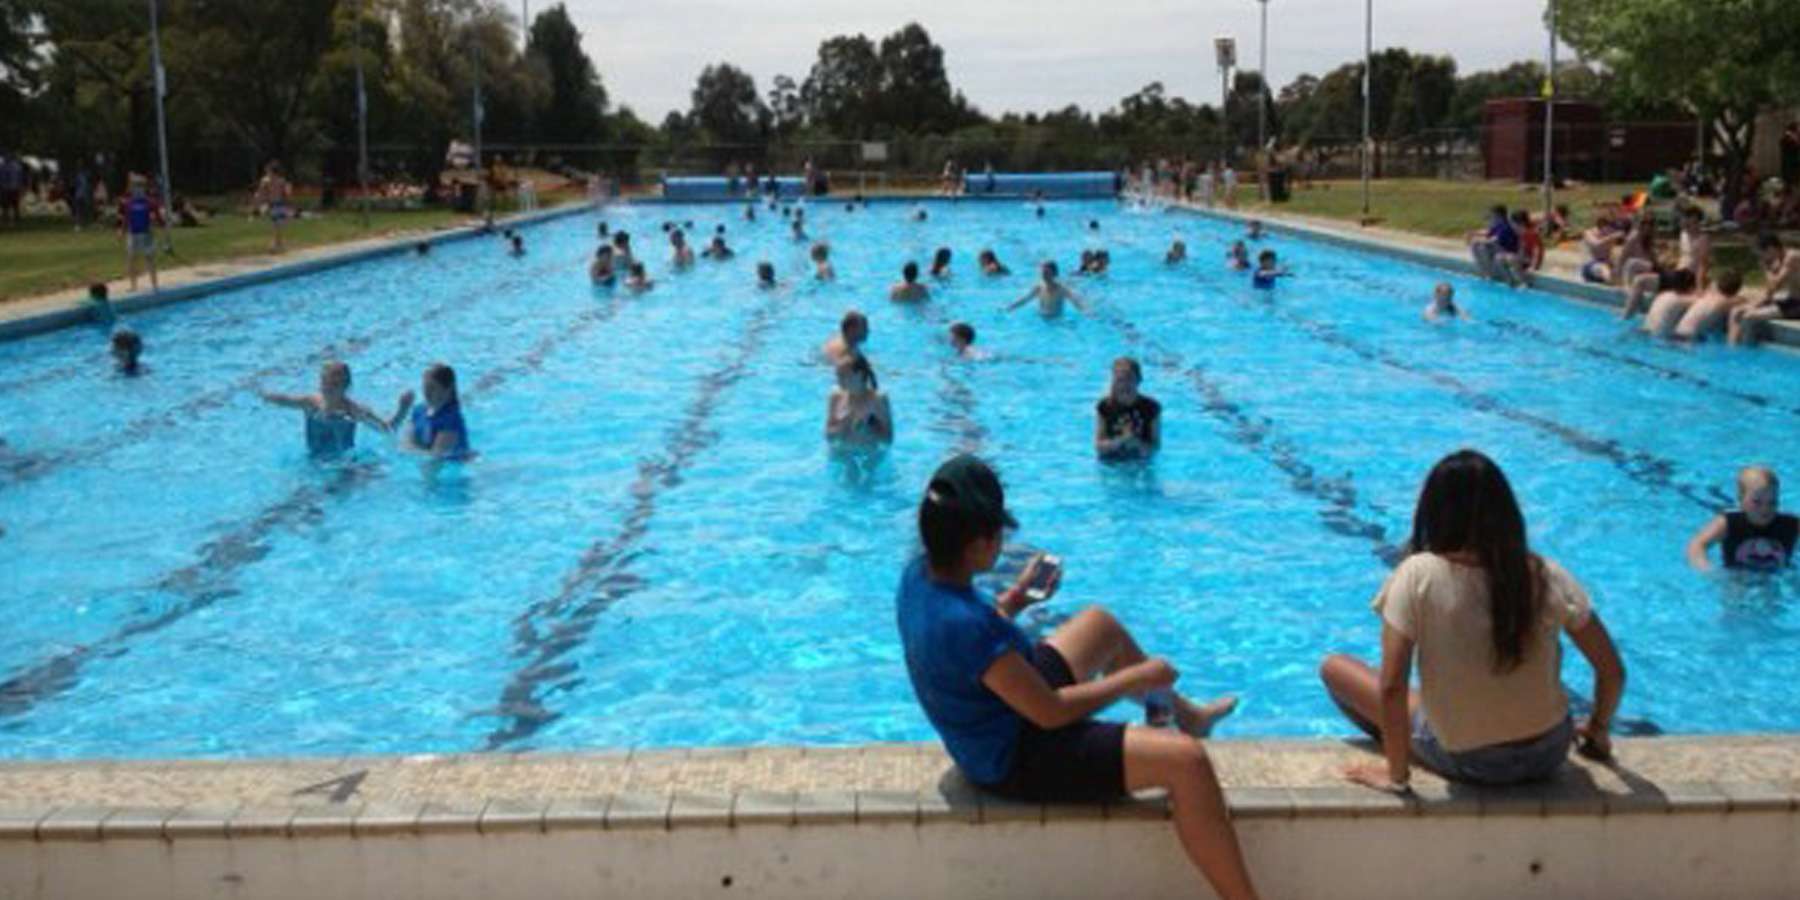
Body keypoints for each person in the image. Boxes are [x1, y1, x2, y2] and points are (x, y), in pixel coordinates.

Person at [895, 455, 1257, 900]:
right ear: (973, 546)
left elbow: (981, 658)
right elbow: (1049, 713)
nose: (1003, 542)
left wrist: (1015, 598)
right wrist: (1135, 678)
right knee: (1188, 762)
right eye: (996, 535)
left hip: (1004, 703)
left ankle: (1189, 716)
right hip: (1013, 756)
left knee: (1101, 625)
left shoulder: (918, 576)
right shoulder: (965, 625)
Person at [1319, 449, 1626, 790]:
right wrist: (1597, 730)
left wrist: (1395, 777)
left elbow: (1392, 686)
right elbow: (1611, 671)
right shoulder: (1544, 573)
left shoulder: (1417, 574)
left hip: (1470, 761)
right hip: (1549, 752)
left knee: (1335, 668)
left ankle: (1407, 753)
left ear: (1433, 511)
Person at [259, 361, 409, 459]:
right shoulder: (311, 403)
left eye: (336, 384)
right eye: (326, 383)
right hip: (313, 459)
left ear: (346, 386)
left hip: (343, 465)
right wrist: (263, 394)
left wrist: (402, 409)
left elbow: (388, 429)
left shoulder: (354, 410)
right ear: (320, 383)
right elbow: (285, 400)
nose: (329, 388)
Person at [1687, 466, 1797, 572]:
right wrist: (1708, 570)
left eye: (1772, 502)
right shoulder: (1728, 523)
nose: (1765, 509)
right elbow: (1697, 544)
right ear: (1741, 500)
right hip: (1737, 579)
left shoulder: (1791, 524)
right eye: (1757, 502)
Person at [1727, 234, 1800, 346]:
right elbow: (1770, 291)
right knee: (1736, 311)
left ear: (1771, 248)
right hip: (1792, 301)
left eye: (1761, 254)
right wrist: (1756, 303)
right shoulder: (1779, 259)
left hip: (1796, 305)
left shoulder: (1792, 257)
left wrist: (1766, 268)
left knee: (1749, 316)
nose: (1761, 258)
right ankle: (1732, 347)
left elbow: (1775, 285)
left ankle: (1747, 352)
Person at [1094, 357, 1160, 460]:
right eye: (1120, 380)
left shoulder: (1151, 407)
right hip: (1110, 459)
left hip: (1139, 459)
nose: (1124, 384)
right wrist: (1119, 442)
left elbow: (1155, 447)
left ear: (1139, 380)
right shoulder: (1105, 406)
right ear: (1114, 381)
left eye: (1129, 379)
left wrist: (1136, 444)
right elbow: (1098, 446)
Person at [401, 363, 470, 460]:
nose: (426, 392)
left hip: (453, 468)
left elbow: (435, 459)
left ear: (448, 389)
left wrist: (412, 450)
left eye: (432, 388)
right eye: (425, 387)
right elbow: (405, 445)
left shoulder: (451, 419)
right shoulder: (418, 411)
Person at [824, 354, 893, 445]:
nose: (838, 380)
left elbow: (888, 439)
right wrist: (844, 426)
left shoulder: (879, 399)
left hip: (870, 455)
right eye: (838, 375)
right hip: (841, 455)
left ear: (859, 375)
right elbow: (828, 437)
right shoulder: (836, 397)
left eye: (842, 376)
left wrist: (871, 426)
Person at [1673, 269, 1747, 342]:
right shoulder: (1724, 302)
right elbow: (1743, 301)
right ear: (1737, 290)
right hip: (1689, 339)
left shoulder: (1708, 296)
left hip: (1677, 334)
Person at [118, 175, 162, 293]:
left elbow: (157, 217)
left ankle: (155, 285)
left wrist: (159, 224)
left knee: (150, 259)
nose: (138, 190)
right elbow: (126, 219)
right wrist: (122, 231)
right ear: (132, 189)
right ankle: (133, 286)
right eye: (136, 187)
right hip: (133, 234)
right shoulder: (129, 203)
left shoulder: (149, 202)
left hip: (146, 234)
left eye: (140, 187)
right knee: (132, 260)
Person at [1007, 261, 1089, 317]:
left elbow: (1076, 303)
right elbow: (1024, 300)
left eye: (1046, 272)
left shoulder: (1062, 289)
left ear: (1054, 274)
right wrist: (1010, 307)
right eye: (1043, 272)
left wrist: (1087, 313)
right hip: (1041, 319)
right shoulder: (1039, 287)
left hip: (1056, 320)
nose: (1044, 274)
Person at [1468, 205, 1521, 286]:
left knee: (1481, 246)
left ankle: (1488, 274)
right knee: (1476, 245)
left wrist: (1477, 240)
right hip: (1500, 248)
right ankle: (1485, 272)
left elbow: (1493, 240)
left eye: (1492, 215)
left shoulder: (1505, 226)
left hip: (1507, 250)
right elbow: (1488, 233)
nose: (1491, 217)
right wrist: (1473, 233)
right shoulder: (1498, 224)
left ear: (1498, 216)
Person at [1636, 271, 1701, 336]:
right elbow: (1702, 302)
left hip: (1644, 332)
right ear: (1691, 287)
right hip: (1660, 338)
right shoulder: (1683, 299)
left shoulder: (1663, 295)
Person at [253, 161, 292, 253]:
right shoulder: (270, 181)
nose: (267, 172)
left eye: (268, 170)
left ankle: (277, 244)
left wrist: (258, 202)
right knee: (276, 225)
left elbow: (286, 194)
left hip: (278, 204)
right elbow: (262, 193)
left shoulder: (278, 181)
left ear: (272, 171)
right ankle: (276, 244)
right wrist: (259, 201)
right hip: (274, 204)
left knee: (278, 225)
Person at [1579, 216, 1623, 284]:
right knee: (1604, 269)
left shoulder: (1609, 235)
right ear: (1602, 226)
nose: (1611, 231)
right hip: (1590, 265)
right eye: (1610, 229)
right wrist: (1611, 237)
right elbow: (1596, 244)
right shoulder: (1589, 233)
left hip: (1607, 265)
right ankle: (1611, 283)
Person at [1511, 210, 1544, 274]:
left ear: (1520, 223)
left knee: (1512, 260)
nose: (1512, 225)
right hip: (1527, 258)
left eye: (1513, 223)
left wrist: (1533, 266)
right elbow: (1522, 248)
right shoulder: (1522, 232)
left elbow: (1537, 250)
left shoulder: (1531, 233)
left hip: (1533, 261)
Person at [0, 152, 22, 226]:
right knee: (13, 205)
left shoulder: (4, 166)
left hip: (7, 188)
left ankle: (8, 220)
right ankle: (13, 220)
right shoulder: (17, 166)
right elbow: (20, 178)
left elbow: (2, 178)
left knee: (7, 206)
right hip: (13, 188)